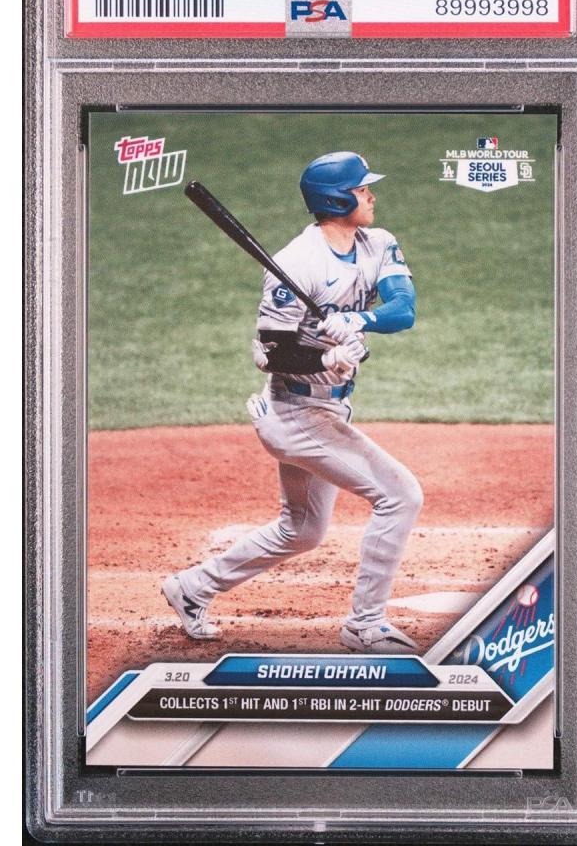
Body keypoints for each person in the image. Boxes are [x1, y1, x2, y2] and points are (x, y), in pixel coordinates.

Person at [162, 151, 423, 653]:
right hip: (295, 414)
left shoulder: (378, 242)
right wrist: (328, 359)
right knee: (401, 495)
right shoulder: (297, 263)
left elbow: (403, 309)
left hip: (329, 411)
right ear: (337, 200)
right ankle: (365, 625)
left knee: (302, 530)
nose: (371, 195)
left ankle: (192, 588)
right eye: (362, 189)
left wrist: (358, 321)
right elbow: (273, 353)